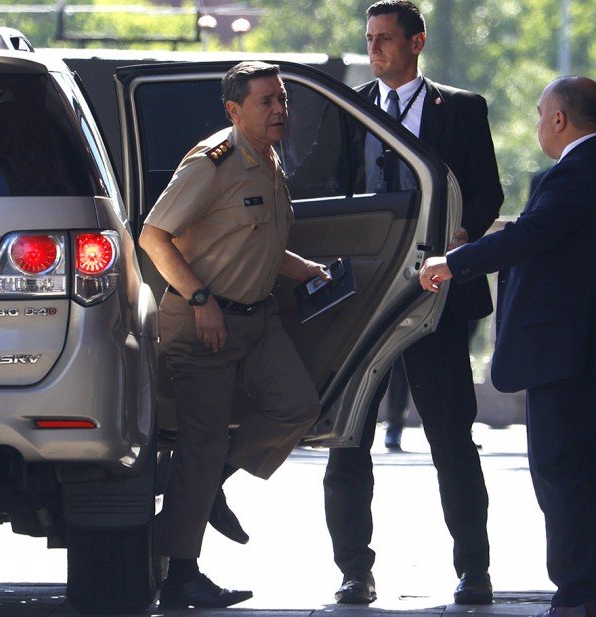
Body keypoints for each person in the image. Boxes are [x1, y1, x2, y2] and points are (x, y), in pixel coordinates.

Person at [323, 0, 503, 606]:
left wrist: (462, 234)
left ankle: (474, 570)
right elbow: (335, 192)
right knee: (348, 439)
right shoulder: (351, 111)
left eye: (385, 38)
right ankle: (354, 571)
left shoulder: (464, 109)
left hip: (439, 297)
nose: (374, 48)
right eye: (369, 38)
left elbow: (488, 192)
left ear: (416, 43)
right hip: (364, 304)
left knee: (451, 440)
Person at [139, 61, 324, 608]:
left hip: (258, 320)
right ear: (234, 110)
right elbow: (153, 236)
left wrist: (302, 269)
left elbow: (253, 240)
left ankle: (211, 481)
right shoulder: (213, 161)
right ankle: (180, 576)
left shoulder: (269, 158)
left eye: (282, 99)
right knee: (201, 444)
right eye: (267, 102)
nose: (279, 110)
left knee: (297, 407)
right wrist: (201, 300)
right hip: (205, 324)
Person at [420, 75, 596, 617]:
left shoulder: (575, 173)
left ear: (560, 119)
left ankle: (578, 593)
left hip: (566, 355)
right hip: (577, 350)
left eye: (542, 113)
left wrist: (454, 262)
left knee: (562, 474)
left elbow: (531, 235)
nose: (539, 123)